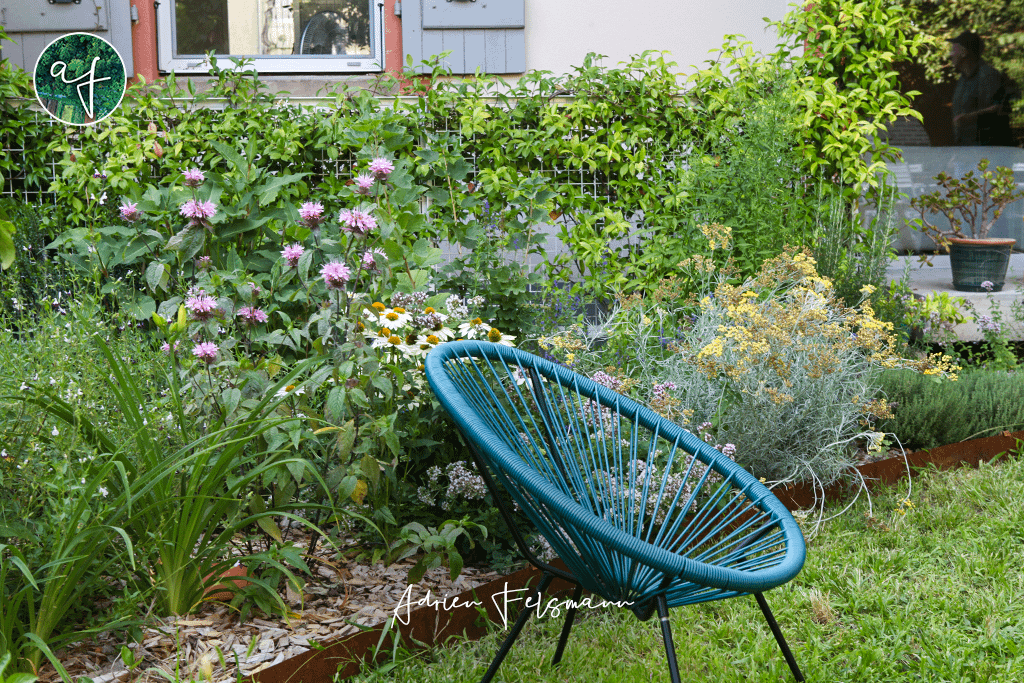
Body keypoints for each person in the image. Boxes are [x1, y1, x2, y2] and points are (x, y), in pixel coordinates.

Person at [948, 30, 1005, 146]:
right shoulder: (962, 79)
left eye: (953, 50)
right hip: (964, 152)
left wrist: (968, 118)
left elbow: (999, 108)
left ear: (964, 52)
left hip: (985, 153)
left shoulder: (988, 75)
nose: (950, 54)